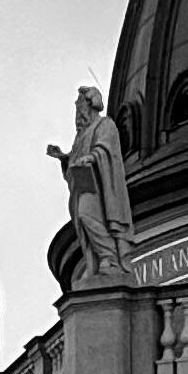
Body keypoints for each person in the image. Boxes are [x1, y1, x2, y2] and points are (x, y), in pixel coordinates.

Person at [48, 86, 135, 285]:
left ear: (90, 105)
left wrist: (91, 158)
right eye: (77, 111)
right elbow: (76, 157)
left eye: (80, 109)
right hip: (85, 183)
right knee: (83, 216)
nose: (78, 114)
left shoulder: (105, 124)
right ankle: (103, 259)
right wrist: (64, 157)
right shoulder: (81, 135)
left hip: (100, 187)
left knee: (86, 214)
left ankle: (109, 258)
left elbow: (106, 150)